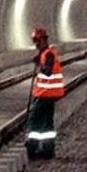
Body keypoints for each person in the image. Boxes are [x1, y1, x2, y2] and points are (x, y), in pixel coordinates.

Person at [26, 28, 64, 160]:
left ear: (44, 40)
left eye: (37, 40)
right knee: (47, 124)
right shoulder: (46, 54)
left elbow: (47, 72)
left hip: (44, 95)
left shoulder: (48, 54)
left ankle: (32, 150)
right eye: (34, 41)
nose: (35, 43)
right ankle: (48, 151)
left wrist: (40, 65)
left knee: (34, 121)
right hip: (47, 95)